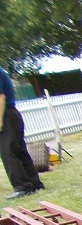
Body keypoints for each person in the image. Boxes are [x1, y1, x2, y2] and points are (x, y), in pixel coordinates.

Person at [0, 67, 45, 200]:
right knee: (19, 151)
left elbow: (1, 97)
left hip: (6, 114)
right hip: (11, 114)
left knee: (8, 152)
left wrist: (0, 120)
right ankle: (34, 184)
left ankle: (22, 187)